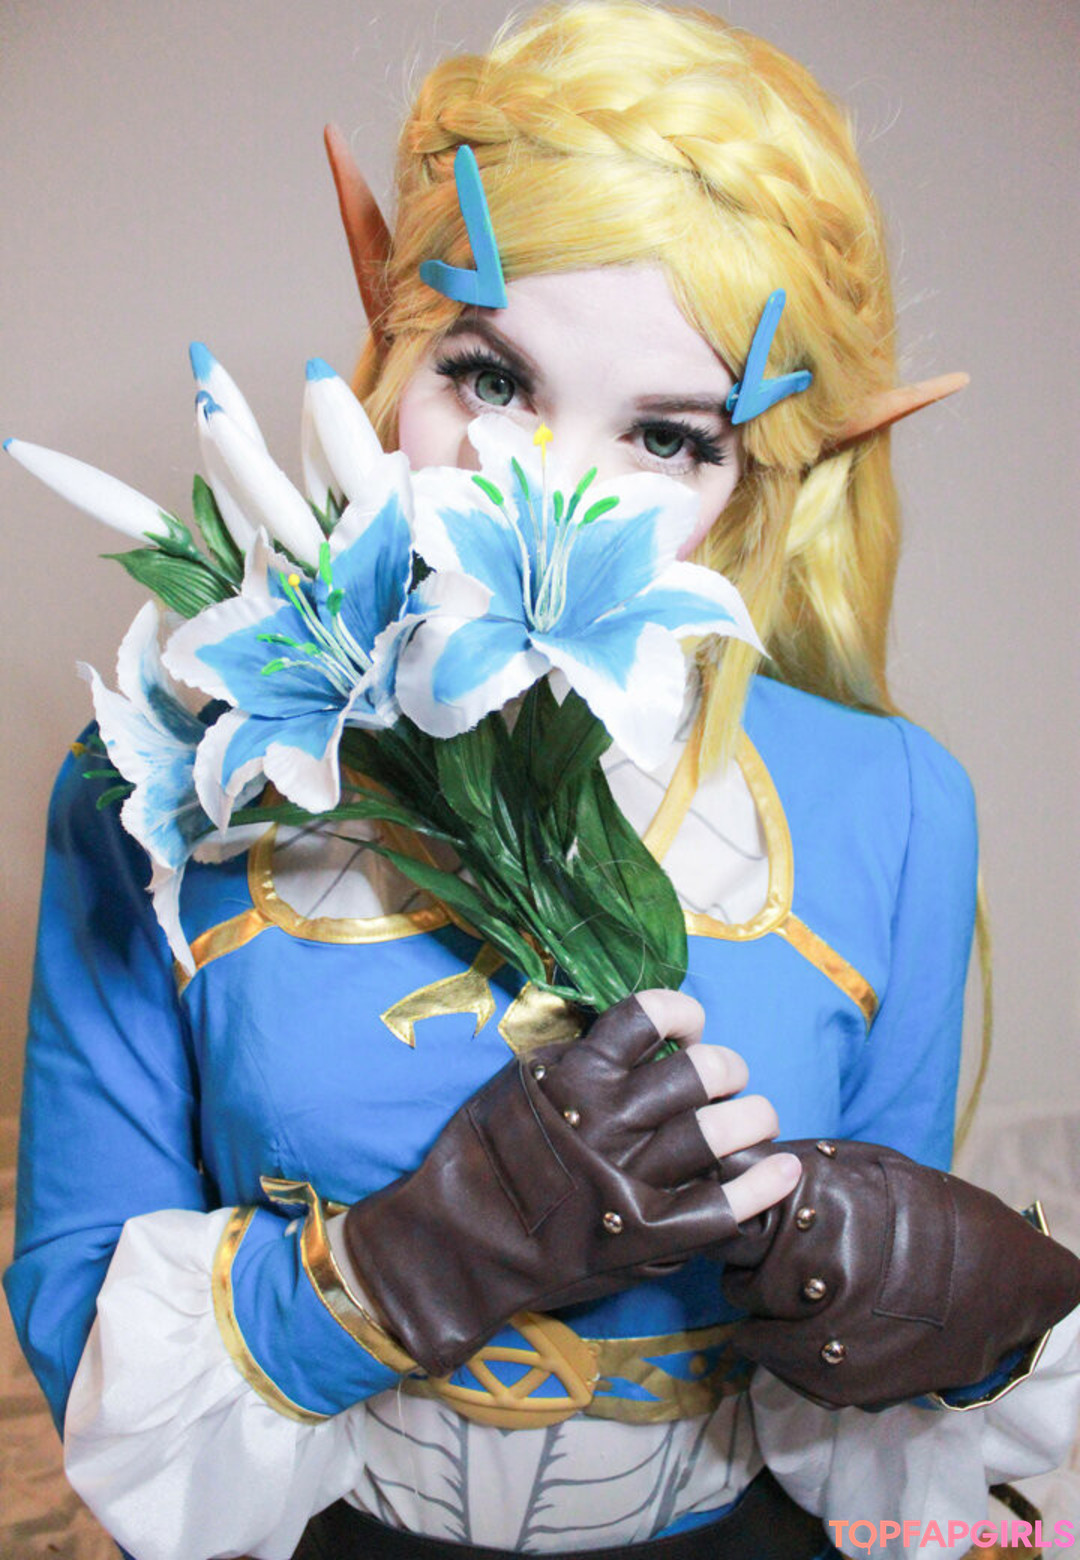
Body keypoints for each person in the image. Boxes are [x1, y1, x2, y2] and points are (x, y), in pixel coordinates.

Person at [5, 4, 1079, 1559]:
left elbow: (876, 1398)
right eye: (491, 379)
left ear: (757, 483)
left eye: (668, 437)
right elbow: (78, 1318)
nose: (542, 488)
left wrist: (965, 1318)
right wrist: (394, 1272)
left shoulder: (891, 801)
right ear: (393, 352)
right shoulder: (154, 787)